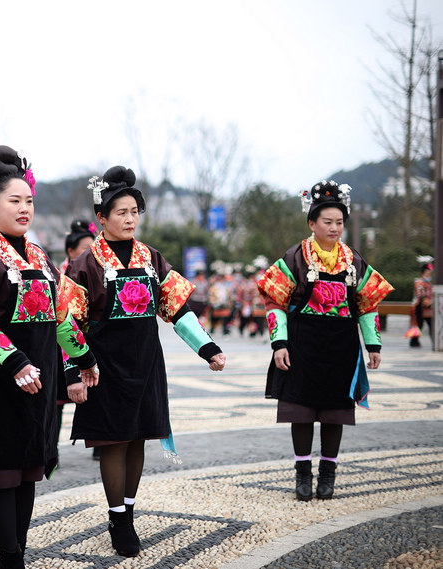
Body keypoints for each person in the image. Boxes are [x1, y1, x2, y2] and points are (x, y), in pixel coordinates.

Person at [66, 166, 226, 557]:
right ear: (101, 218)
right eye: (120, 212)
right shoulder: (84, 264)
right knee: (112, 440)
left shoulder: (152, 257)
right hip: (102, 362)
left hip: (145, 359)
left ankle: (130, 510)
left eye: (134, 211)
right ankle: (117, 518)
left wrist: (207, 348)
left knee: (138, 436)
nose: (129, 218)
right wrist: (75, 367)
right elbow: (67, 319)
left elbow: (178, 308)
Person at [0, 146, 99, 569]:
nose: (24, 209)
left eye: (28, 201)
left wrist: (83, 358)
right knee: (2, 473)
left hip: (41, 379)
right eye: (14, 201)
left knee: (29, 471)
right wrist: (15, 362)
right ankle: (9, 555)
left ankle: (20, 546)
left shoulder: (39, 257)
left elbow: (60, 318)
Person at [258, 180, 393, 502]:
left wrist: (373, 345)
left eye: (339, 222)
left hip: (341, 346)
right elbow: (274, 302)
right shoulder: (295, 258)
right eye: (327, 222)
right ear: (312, 223)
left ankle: (328, 474)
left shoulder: (354, 261)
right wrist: (280, 344)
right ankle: (303, 473)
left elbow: (367, 305)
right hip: (302, 344)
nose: (334, 228)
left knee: (335, 412)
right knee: (301, 411)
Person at [54, 219, 96, 461]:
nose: (89, 252)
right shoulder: (59, 274)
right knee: (58, 402)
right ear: (70, 251)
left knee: (94, 392)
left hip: (89, 341)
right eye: (84, 248)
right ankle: (53, 447)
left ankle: (101, 442)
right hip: (63, 343)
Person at [407, 259, 434, 348]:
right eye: (428, 272)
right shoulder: (420, 283)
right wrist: (427, 301)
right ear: (423, 273)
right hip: (420, 307)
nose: (429, 274)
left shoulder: (428, 283)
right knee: (419, 324)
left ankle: (415, 341)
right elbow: (420, 295)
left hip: (427, 308)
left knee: (425, 325)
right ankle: (414, 341)